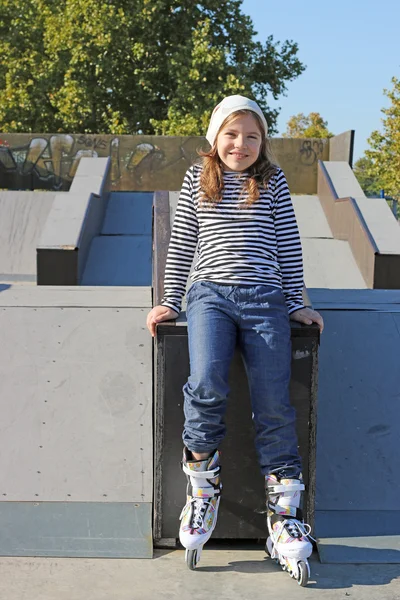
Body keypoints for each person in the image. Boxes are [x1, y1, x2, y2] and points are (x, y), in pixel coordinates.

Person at [146, 95, 324, 576]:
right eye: (231, 134)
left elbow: (287, 242)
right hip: (209, 297)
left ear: (263, 142)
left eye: (251, 136)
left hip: (265, 298)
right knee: (206, 383)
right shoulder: (197, 179)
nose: (240, 144)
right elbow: (183, 240)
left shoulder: (271, 180)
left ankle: (284, 515)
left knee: (273, 401)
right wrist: (170, 298)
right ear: (214, 137)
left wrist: (297, 302)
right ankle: (203, 490)